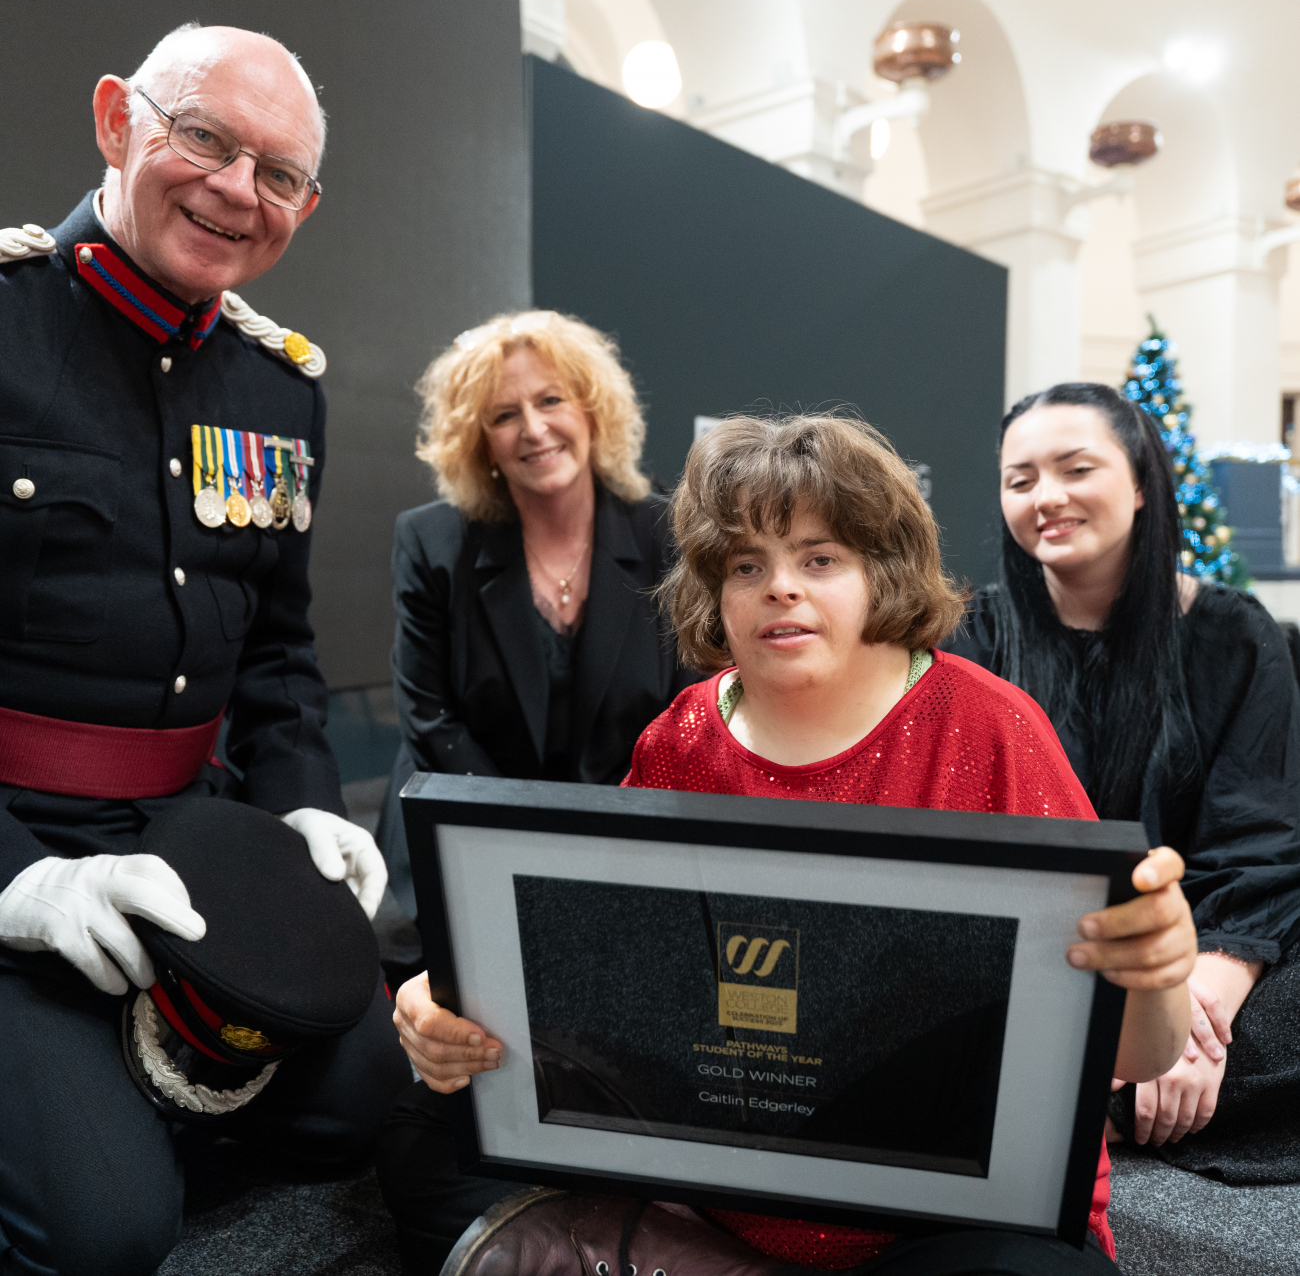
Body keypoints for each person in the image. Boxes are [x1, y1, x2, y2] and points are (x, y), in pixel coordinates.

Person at [376, 414, 1200, 1276]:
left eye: (820, 558)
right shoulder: (683, 735)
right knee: (421, 1129)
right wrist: (456, 999)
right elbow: (594, 967)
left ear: (882, 572)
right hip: (716, 1175)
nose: (780, 588)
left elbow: (1137, 1056)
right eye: (745, 565)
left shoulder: (992, 730)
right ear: (712, 591)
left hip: (937, 1209)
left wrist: (1159, 970)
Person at [0, 24, 410, 1275]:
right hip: (16, 836)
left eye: (277, 173)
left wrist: (299, 811)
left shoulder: (278, 388)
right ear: (119, 119)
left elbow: (279, 659)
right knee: (107, 1232)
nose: (238, 188)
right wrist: (20, 881)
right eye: (206, 138)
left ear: (305, 206)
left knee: (366, 1103)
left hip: (184, 829)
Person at [944, 383, 1300, 1180]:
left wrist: (1192, 1004)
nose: (1048, 498)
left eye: (1075, 469)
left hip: (1203, 945)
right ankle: (1103, 1092)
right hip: (1037, 961)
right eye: (1021, 479)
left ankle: (1072, 1103)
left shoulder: (1236, 634)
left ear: (1141, 486)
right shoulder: (975, 638)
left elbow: (1260, 842)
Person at [373, 310, 696, 921]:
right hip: (469, 832)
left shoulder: (665, 534)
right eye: (503, 415)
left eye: (552, 400)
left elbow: (690, 712)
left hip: (630, 839)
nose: (534, 428)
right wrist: (526, 845)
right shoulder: (432, 543)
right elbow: (430, 719)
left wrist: (603, 844)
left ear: (592, 410)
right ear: (479, 442)